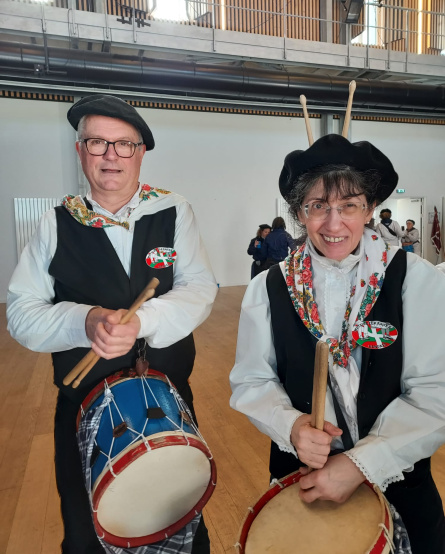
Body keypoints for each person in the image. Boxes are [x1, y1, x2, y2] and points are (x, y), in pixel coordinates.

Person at [6, 94, 218, 554]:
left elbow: (200, 288)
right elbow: (21, 313)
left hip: (166, 398)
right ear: (79, 150)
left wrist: (142, 321)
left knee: (178, 525)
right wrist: (84, 321)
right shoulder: (56, 222)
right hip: (84, 406)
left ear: (140, 153)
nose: (110, 155)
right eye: (97, 142)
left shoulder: (173, 210)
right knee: (87, 532)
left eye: (124, 144)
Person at [230, 133, 445, 554]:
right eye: (318, 207)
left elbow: (434, 392)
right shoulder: (270, 287)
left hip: (400, 476)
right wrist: (291, 426)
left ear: (369, 208)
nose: (333, 224)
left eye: (348, 205)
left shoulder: (413, 278)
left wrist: (361, 463)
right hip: (301, 477)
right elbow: (252, 380)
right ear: (299, 213)